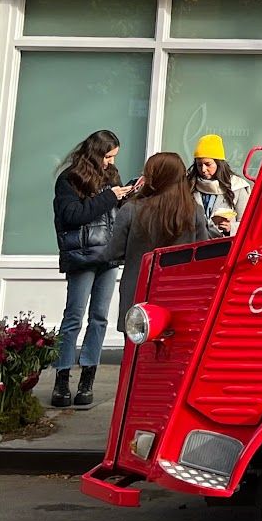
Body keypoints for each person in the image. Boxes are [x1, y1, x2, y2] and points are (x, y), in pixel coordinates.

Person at [52, 129, 133, 409]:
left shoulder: (112, 176)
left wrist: (126, 195)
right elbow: (72, 216)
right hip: (82, 257)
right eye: (108, 156)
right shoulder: (69, 179)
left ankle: (87, 378)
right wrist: (109, 197)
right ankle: (62, 379)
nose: (110, 163)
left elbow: (112, 214)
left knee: (99, 318)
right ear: (96, 153)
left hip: (108, 256)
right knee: (73, 318)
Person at [109, 152, 211, 334]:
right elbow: (203, 252)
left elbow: (114, 252)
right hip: (179, 292)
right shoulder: (193, 211)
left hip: (138, 290)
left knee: (136, 353)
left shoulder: (131, 209)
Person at [188, 134, 250, 234]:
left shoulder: (237, 186)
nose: (203, 170)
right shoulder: (189, 185)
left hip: (223, 246)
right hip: (195, 245)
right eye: (199, 165)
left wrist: (231, 228)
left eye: (208, 164)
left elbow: (247, 224)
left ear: (219, 163)